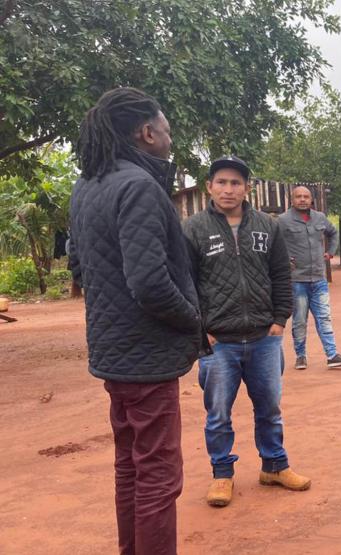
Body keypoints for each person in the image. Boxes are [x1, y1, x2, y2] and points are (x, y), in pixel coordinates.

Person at [69, 87, 201, 555]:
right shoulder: (139, 186)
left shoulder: (86, 186)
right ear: (147, 133)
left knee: (131, 467)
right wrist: (193, 323)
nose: (169, 140)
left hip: (112, 355)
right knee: (159, 477)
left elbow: (79, 266)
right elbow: (150, 283)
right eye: (166, 131)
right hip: (147, 360)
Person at [183, 156, 310, 507]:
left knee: (269, 408)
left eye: (235, 183)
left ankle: (274, 466)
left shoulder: (268, 227)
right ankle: (222, 475)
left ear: (247, 188)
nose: (228, 189)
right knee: (218, 414)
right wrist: (200, 330)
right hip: (217, 342)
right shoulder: (193, 229)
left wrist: (280, 319)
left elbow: (281, 275)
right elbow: (186, 283)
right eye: (221, 182)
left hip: (263, 338)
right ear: (210, 186)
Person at [279, 184, 341, 370]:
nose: (303, 199)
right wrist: (283, 259)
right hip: (297, 280)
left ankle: (332, 355)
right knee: (299, 320)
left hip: (319, 279)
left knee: (324, 317)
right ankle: (300, 356)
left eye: (306, 196)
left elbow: (334, 232)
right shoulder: (282, 220)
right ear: (292, 199)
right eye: (299, 196)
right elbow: (273, 242)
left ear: (311, 199)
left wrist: (330, 252)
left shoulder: (319, 218)